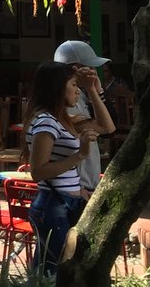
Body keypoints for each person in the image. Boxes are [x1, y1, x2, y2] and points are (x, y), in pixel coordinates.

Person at [27, 61, 99, 275]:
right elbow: (38, 171)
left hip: (67, 202)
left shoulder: (64, 120)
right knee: (53, 272)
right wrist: (80, 155)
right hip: (53, 204)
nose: (78, 91)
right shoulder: (46, 122)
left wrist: (92, 89)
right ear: (58, 88)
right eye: (74, 85)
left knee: (56, 269)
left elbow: (108, 126)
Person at [53, 41, 116, 197]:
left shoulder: (79, 94)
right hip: (76, 187)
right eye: (90, 67)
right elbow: (107, 128)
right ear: (76, 69)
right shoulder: (61, 102)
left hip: (87, 183)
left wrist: (98, 91)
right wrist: (91, 89)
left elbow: (112, 126)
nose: (94, 72)